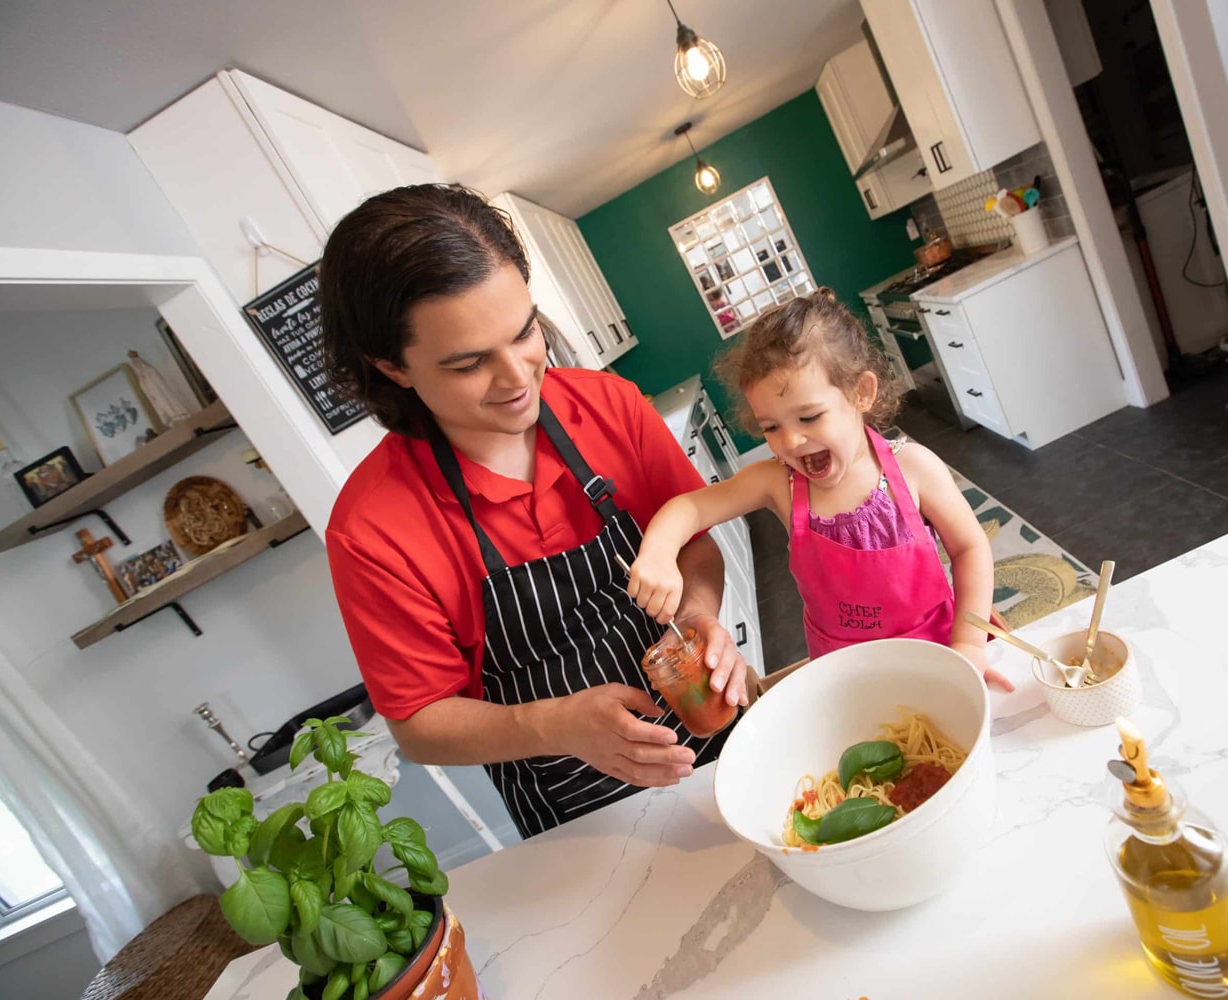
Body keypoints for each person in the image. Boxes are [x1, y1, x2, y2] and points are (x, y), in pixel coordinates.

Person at [318, 184, 749, 838]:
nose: (518, 376)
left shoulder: (610, 406)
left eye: (525, 333)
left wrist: (697, 620)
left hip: (725, 738)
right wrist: (555, 725)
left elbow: (693, 544)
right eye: (469, 364)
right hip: (581, 811)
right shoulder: (372, 529)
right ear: (392, 366)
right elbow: (420, 723)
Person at [628, 289, 1013, 690]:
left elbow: (970, 548)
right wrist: (658, 551)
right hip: (846, 671)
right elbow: (690, 508)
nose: (791, 441)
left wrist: (969, 642)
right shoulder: (778, 482)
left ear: (860, 392)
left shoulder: (914, 468)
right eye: (771, 427)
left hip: (939, 648)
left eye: (809, 417)